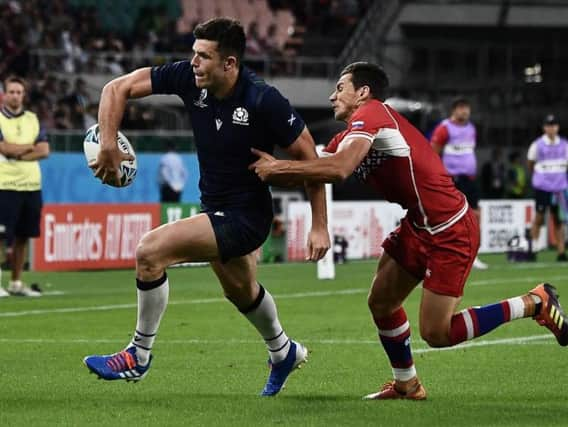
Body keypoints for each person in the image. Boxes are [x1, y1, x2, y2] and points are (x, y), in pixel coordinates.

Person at [250, 62, 568, 400]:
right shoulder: (349, 135)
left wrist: (278, 168)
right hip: (419, 224)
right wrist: (265, 159)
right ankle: (407, 384)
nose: (332, 96)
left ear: (363, 92)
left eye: (340, 88)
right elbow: (312, 166)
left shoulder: (374, 114)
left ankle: (534, 302)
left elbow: (338, 169)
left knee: (437, 332)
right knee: (382, 302)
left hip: (450, 227)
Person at [83, 18, 330, 396]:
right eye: (193, 53)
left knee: (150, 252)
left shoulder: (263, 100)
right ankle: (284, 351)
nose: (193, 62)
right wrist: (108, 143)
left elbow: (311, 159)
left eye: (204, 56)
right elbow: (117, 88)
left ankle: (138, 354)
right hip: (214, 204)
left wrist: (319, 225)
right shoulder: (188, 78)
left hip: (247, 214)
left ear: (229, 63)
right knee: (241, 291)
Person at [0, 75, 49, 297]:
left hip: (31, 185)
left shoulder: (33, 119)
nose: (15, 96)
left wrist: (17, 151)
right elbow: (4, 148)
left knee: (23, 236)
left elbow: (44, 150)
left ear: (24, 95)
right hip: (5, 183)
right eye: (12, 92)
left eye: (19, 92)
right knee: (1, 236)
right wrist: (30, 148)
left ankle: (16, 283)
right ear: (5, 94)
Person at [430, 98, 488, 269]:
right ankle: (446, 254)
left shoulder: (471, 128)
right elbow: (433, 152)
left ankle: (473, 255)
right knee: (452, 218)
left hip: (469, 179)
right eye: (461, 108)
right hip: (452, 179)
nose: (465, 111)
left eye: (467, 108)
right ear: (453, 110)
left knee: (476, 215)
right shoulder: (444, 128)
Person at [527, 114, 568, 261]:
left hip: (559, 188)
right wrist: (541, 178)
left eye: (554, 125)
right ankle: (532, 250)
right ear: (544, 127)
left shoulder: (564, 145)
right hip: (543, 187)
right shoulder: (537, 145)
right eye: (549, 125)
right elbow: (530, 164)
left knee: (559, 220)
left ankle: (561, 252)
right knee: (539, 218)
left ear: (557, 127)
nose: (551, 128)